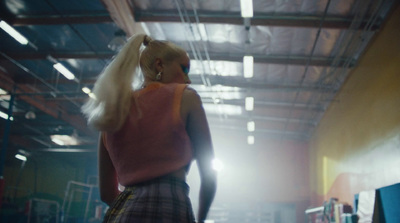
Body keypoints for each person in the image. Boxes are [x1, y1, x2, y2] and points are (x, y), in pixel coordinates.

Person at [81, 34, 217, 223]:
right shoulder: (186, 98)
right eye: (184, 69)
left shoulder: (112, 112)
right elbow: (209, 176)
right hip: (170, 209)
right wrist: (200, 220)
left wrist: (132, 205)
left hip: (122, 213)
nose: (188, 79)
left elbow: (106, 193)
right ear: (160, 65)